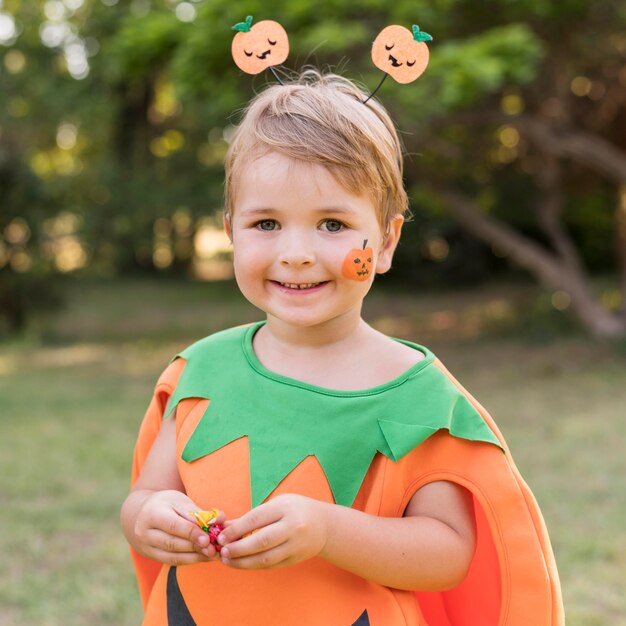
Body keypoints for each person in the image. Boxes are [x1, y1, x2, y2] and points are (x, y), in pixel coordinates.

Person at [121, 70, 563, 626]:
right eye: (267, 223)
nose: (297, 252)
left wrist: (327, 530)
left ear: (384, 241)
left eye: (331, 223)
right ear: (232, 231)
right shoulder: (202, 370)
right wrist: (153, 517)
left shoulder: (420, 399)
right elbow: (144, 498)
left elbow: (447, 554)